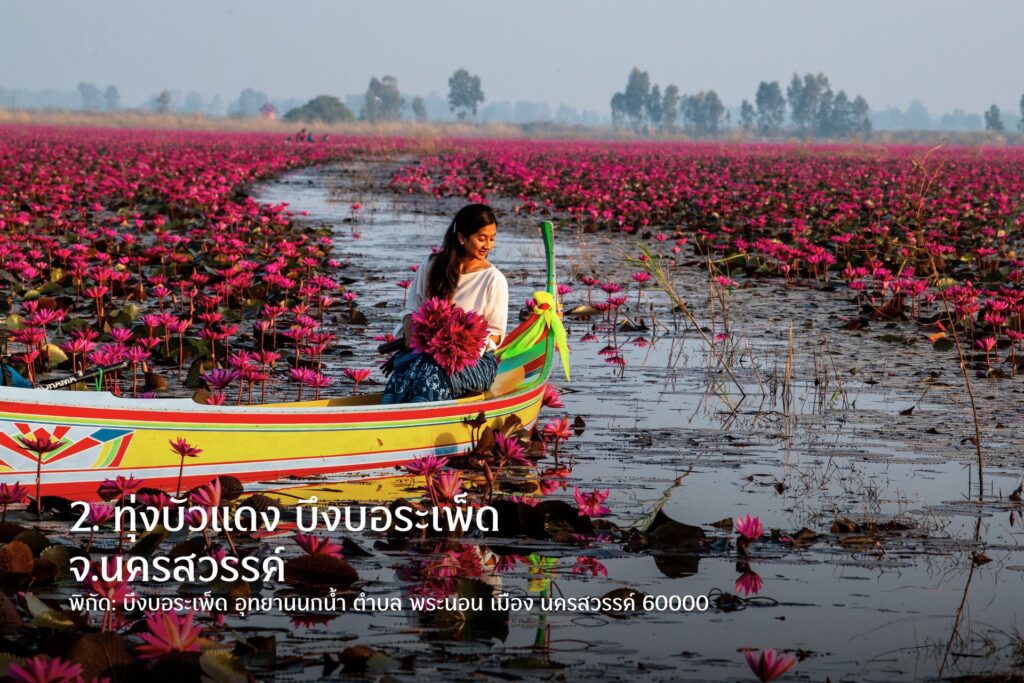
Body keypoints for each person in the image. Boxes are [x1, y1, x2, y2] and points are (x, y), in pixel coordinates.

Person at [382, 204, 508, 404]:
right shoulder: (431, 265)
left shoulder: (494, 279)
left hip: (474, 361)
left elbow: (496, 333)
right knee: (408, 371)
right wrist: (411, 330)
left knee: (428, 371)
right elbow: (412, 311)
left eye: (492, 239)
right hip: (426, 354)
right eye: (481, 238)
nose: (488, 246)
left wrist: (459, 347)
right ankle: (390, 417)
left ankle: (419, 421)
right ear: (461, 237)